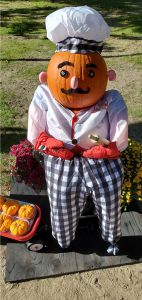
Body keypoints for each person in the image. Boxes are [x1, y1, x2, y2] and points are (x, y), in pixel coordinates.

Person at [28, 6, 128, 255]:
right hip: (61, 158)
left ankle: (111, 237)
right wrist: (43, 140)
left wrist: (112, 146)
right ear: (48, 75)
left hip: (99, 152)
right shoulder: (44, 96)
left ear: (106, 75)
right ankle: (63, 238)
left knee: (109, 199)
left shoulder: (110, 100)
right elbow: (36, 126)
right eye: (64, 73)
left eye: (89, 73)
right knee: (62, 202)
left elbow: (119, 126)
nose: (75, 82)